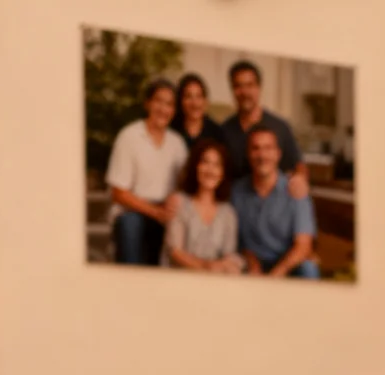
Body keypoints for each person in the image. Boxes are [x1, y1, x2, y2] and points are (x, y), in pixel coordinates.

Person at [104, 77, 188, 267]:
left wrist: (169, 206)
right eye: (158, 101)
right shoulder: (129, 136)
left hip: (164, 214)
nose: (163, 109)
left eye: (169, 104)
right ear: (147, 103)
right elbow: (118, 193)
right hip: (132, 212)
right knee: (130, 224)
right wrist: (155, 212)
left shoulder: (177, 144)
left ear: (174, 110)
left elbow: (183, 185)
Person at [231, 125, 318, 279]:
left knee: (309, 269)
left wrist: (275, 275)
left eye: (268, 148)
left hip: (286, 263)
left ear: (278, 154)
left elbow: (303, 246)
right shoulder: (236, 191)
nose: (262, 155)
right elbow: (235, 240)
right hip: (250, 264)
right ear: (248, 154)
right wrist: (251, 260)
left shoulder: (296, 190)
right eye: (255, 148)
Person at [217, 60, 308, 199]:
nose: (244, 92)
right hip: (237, 205)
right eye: (238, 86)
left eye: (249, 85)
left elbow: (298, 165)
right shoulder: (224, 131)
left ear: (258, 88)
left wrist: (300, 179)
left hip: (274, 205)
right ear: (233, 90)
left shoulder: (280, 127)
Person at [164, 139, 243, 274]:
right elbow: (175, 252)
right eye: (205, 162)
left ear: (222, 173)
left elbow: (228, 255)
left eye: (217, 165)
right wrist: (207, 268)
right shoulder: (179, 202)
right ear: (195, 166)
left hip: (215, 283)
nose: (210, 170)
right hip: (180, 280)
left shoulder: (228, 213)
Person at [170, 73, 226, 153]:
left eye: (199, 96)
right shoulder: (172, 130)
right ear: (180, 101)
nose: (194, 103)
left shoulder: (216, 133)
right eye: (188, 96)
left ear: (205, 101)